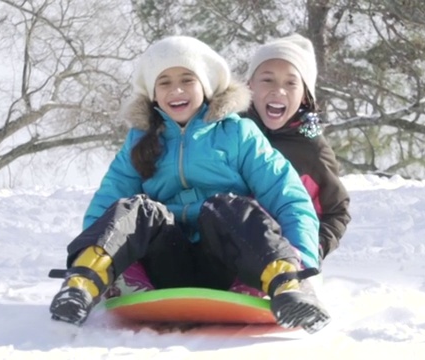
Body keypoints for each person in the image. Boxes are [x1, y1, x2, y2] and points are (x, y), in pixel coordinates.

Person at [48, 36, 330, 333]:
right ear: (153, 94)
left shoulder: (238, 133)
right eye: (165, 82)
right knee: (137, 208)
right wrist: (87, 255)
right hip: (167, 260)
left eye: (187, 79)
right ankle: (82, 285)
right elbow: (106, 207)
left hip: (227, 260)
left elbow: (288, 198)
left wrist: (304, 264)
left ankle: (286, 284)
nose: (176, 90)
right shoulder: (140, 141)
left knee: (228, 206)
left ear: (206, 85)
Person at [243, 34, 351, 261]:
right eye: (267, 80)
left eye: (291, 83)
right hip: (228, 246)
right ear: (250, 85)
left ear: (304, 96)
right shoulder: (230, 131)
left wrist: (314, 248)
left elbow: (335, 211)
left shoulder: (312, 151)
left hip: (281, 256)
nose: (278, 91)